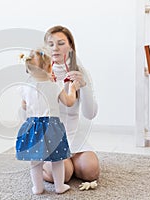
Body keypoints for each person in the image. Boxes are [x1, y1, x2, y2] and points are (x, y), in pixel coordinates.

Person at [15, 48, 80, 194]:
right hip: (52, 127)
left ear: (28, 70)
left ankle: (38, 188)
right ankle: (59, 186)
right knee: (57, 159)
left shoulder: (25, 89)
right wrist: (73, 88)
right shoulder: (55, 86)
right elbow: (69, 102)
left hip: (33, 126)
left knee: (35, 161)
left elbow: (24, 106)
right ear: (50, 67)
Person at [42, 25, 100, 183]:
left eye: (61, 43)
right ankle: (38, 165)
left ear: (71, 47)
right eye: (51, 44)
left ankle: (69, 162)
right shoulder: (40, 74)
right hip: (50, 139)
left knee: (91, 171)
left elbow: (90, 114)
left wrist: (85, 85)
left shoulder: (79, 71)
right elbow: (28, 111)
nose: (55, 48)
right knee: (64, 174)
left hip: (75, 137)